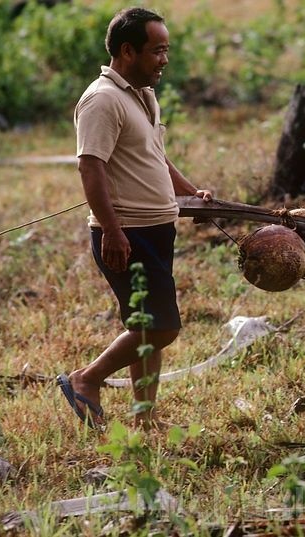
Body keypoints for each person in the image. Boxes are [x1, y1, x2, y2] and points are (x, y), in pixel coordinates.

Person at [57, 6, 212, 429]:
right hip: (127, 232)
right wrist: (111, 229)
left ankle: (145, 416)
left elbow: (154, 157)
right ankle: (86, 379)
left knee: (147, 326)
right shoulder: (101, 100)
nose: (165, 59)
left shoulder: (141, 94)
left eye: (167, 50)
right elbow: (91, 166)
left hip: (156, 229)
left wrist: (189, 191)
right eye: (157, 51)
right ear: (128, 50)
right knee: (161, 328)